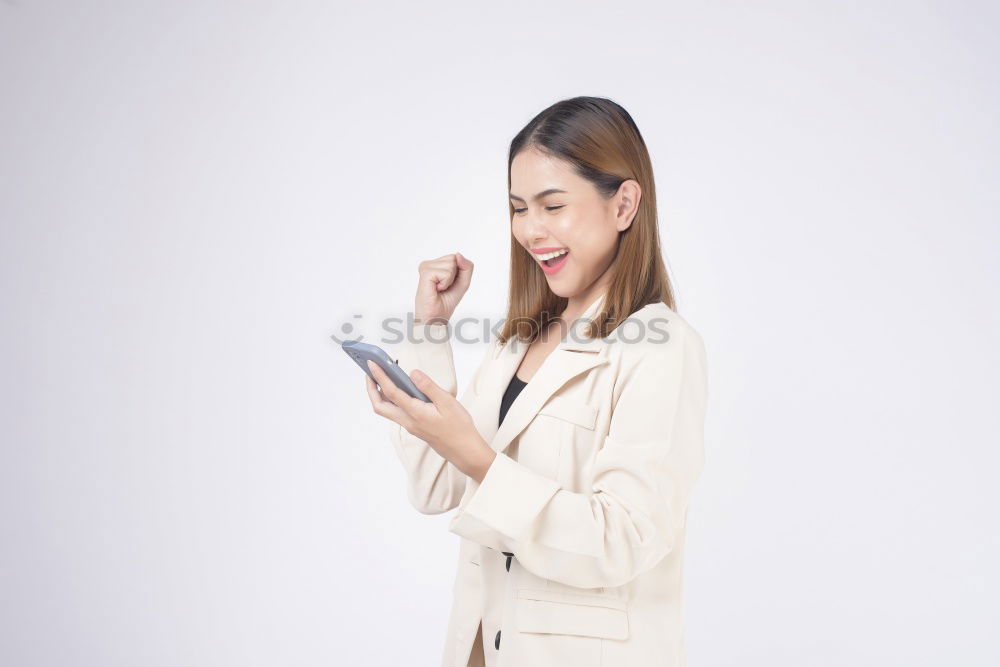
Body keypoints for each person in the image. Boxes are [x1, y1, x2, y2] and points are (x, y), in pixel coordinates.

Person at [364, 96, 708, 667]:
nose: (530, 229)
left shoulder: (661, 345)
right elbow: (433, 488)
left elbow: (622, 540)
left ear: (624, 205)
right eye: (519, 208)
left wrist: (478, 458)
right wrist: (427, 331)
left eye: (553, 205)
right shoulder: (520, 340)